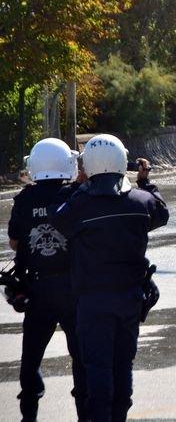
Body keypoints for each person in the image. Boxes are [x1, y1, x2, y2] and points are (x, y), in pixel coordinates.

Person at [48, 134, 168, 422]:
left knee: (98, 371)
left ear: (87, 165)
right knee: (122, 367)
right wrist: (145, 181)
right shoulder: (141, 202)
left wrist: (77, 185)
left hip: (92, 302)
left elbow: (57, 218)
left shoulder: (80, 205)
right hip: (129, 298)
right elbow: (162, 212)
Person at [7, 138, 88, 421]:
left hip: (37, 288)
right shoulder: (76, 195)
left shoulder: (24, 199)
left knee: (31, 358)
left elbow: (15, 242)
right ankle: (85, 414)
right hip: (72, 287)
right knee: (81, 356)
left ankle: (29, 415)